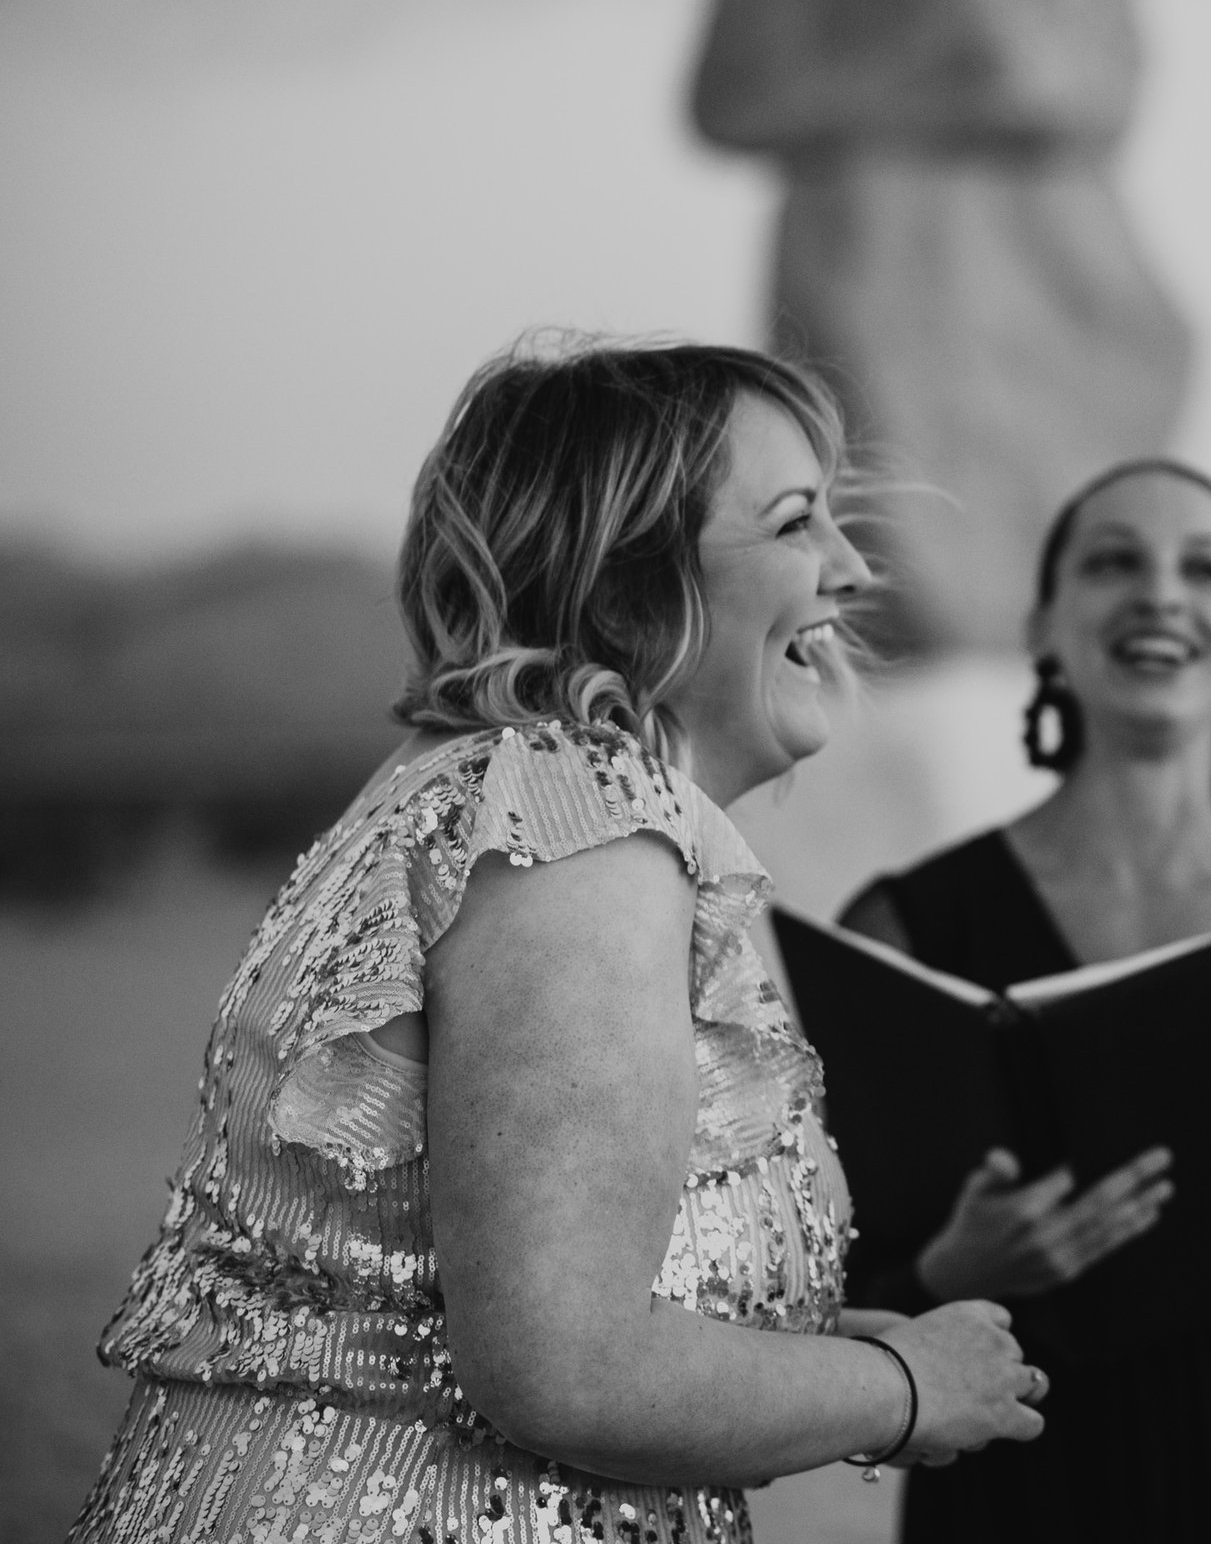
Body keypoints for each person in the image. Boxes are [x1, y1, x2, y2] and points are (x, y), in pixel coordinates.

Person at [70, 341, 1048, 1543]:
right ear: (631, 580)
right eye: (797, 524)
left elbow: (460, 1295)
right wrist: (909, 1392)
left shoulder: (481, 794)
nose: (850, 570)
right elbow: (564, 1366)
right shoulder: (579, 835)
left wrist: (803, 1352)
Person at [835, 457, 1211, 1543]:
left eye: (1202, 568)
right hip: (1020, 1475)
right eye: (1114, 561)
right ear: (1042, 628)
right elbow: (823, 1275)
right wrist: (948, 1270)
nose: (1159, 592)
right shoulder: (906, 929)